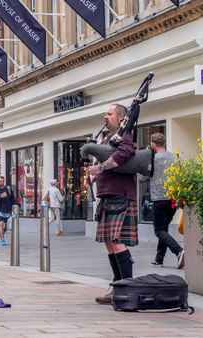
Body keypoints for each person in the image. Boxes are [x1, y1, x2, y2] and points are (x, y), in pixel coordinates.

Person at [85, 103, 138, 305]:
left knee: (116, 241)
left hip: (120, 196)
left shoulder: (126, 136)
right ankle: (117, 286)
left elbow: (122, 156)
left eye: (109, 113)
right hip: (107, 196)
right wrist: (93, 177)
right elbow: (103, 165)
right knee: (109, 242)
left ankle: (127, 289)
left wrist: (99, 169)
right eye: (105, 114)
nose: (105, 117)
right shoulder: (108, 140)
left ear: (121, 117)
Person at [140, 133, 184, 269]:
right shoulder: (175, 157)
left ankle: (179, 251)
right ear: (164, 143)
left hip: (159, 199)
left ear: (152, 144)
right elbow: (181, 176)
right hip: (173, 199)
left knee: (159, 231)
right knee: (164, 230)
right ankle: (159, 260)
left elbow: (142, 177)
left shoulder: (152, 158)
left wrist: (146, 156)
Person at [0, 176, 16, 246]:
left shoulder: (8, 189)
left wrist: (15, 207)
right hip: (0, 210)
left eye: (3, 181)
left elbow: (13, 198)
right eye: (0, 181)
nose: (2, 182)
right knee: (1, 224)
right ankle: (2, 238)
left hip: (7, 210)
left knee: (7, 226)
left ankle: (1, 234)